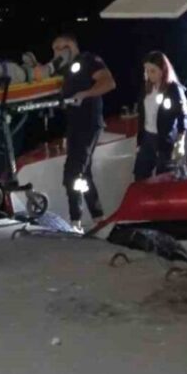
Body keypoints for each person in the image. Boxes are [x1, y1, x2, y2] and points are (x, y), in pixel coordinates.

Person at [54, 33, 116, 234]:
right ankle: (99, 218)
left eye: (60, 48)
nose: (56, 53)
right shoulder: (65, 69)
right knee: (84, 173)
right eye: (54, 49)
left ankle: (75, 222)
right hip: (74, 125)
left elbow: (108, 82)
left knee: (73, 172)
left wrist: (85, 94)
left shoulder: (89, 60)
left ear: (71, 46)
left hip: (88, 124)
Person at [134, 51, 187, 180]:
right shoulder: (146, 88)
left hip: (165, 138)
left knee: (164, 176)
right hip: (147, 136)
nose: (149, 74)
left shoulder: (173, 89)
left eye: (152, 71)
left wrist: (180, 140)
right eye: (146, 71)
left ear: (163, 70)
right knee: (140, 174)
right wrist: (140, 141)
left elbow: (183, 115)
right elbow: (142, 115)